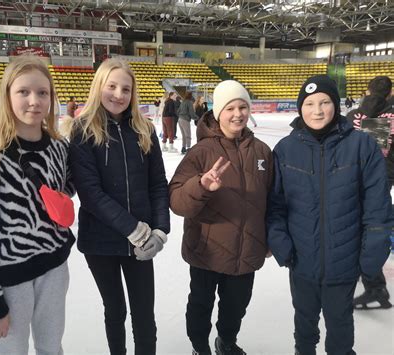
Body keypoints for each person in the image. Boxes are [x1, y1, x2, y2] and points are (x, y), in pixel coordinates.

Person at [266, 75, 391, 355]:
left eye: (324, 102)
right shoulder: (286, 150)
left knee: (340, 328)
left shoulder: (362, 145)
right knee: (304, 325)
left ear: (336, 104)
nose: (317, 110)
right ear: (300, 108)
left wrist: (370, 259)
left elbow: (378, 210)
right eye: (309, 104)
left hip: (344, 263)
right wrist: (281, 246)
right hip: (301, 261)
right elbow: (275, 206)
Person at [0, 55, 75, 355]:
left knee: (52, 347)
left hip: (54, 270)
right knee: (11, 351)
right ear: (8, 96)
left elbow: (64, 190)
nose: (34, 101)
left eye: (42, 92)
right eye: (23, 92)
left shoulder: (59, 148)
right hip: (11, 279)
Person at [67, 58, 170, 355]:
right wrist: (135, 230)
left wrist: (160, 231)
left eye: (126, 88)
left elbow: (158, 184)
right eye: (112, 86)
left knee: (143, 314)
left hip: (143, 241)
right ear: (99, 86)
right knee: (115, 310)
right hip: (101, 242)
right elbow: (91, 193)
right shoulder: (82, 130)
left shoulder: (145, 129)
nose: (118, 94)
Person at [169, 80, 273, 355]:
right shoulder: (201, 151)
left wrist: (270, 239)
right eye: (230, 108)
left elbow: (274, 200)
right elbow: (176, 200)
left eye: (242, 107)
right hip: (206, 249)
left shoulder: (262, 152)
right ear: (217, 113)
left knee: (236, 306)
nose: (237, 114)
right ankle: (199, 346)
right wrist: (201, 186)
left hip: (246, 250)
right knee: (201, 304)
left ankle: (226, 342)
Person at [346, 75, 394, 309]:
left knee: (359, 230)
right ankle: (372, 283)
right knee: (370, 229)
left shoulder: (356, 115)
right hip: (383, 180)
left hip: (353, 180)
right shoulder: (388, 114)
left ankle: (374, 285)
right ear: (389, 93)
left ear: (366, 90)